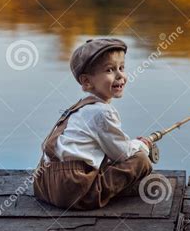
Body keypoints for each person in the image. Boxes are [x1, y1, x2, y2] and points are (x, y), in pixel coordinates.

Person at [33, 37, 152, 210]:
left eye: (122, 68)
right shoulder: (102, 112)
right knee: (141, 160)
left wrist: (131, 144)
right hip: (74, 192)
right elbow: (122, 153)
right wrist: (142, 145)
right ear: (87, 81)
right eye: (110, 70)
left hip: (44, 185)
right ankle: (110, 191)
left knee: (105, 157)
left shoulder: (81, 107)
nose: (120, 76)